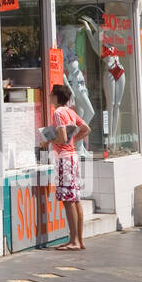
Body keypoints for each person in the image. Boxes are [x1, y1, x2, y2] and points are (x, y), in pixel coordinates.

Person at [39, 85, 90, 251]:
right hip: (73, 157)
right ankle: (78, 240)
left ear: (56, 97)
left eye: (51, 94)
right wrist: (73, 141)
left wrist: (47, 141)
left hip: (64, 160)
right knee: (75, 200)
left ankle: (73, 241)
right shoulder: (70, 111)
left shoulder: (58, 113)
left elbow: (61, 137)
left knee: (68, 201)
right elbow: (86, 129)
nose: (49, 95)